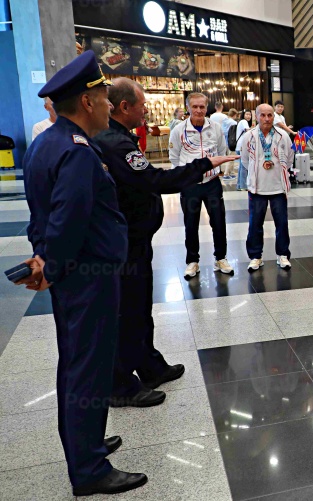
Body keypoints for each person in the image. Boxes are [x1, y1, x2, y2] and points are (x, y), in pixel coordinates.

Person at [18, 51, 147, 496]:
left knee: (76, 365)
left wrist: (44, 260)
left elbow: (41, 218)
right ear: (88, 103)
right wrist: (51, 266)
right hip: (87, 279)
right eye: (103, 97)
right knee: (86, 370)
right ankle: (89, 469)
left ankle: (85, 443)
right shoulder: (76, 154)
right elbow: (67, 220)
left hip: (75, 277)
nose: (111, 106)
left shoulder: (45, 144)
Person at [94, 77, 237, 406]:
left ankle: (149, 365)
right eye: (142, 105)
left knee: (140, 308)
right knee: (128, 310)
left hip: (136, 241)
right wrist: (204, 164)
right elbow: (155, 179)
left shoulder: (122, 138)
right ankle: (120, 384)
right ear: (125, 107)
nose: (146, 110)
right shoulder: (116, 144)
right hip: (124, 244)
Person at [169, 92, 233, 278]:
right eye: (194, 107)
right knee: (191, 224)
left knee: (219, 222)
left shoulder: (216, 128)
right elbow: (174, 158)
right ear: (188, 108)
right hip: (190, 186)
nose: (198, 110)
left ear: (207, 108)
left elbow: (222, 151)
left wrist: (214, 172)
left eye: (202, 107)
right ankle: (192, 261)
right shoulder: (178, 130)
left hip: (212, 183)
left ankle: (220, 258)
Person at [241, 104, 293, 271]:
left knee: (282, 222)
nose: (267, 118)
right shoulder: (249, 136)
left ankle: (283, 254)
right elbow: (244, 160)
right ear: (256, 116)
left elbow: (290, 158)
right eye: (262, 115)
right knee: (255, 223)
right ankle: (256, 256)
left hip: (278, 186)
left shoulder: (283, 135)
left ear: (273, 117)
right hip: (257, 187)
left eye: (269, 115)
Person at [235, 109, 254, 191]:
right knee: (244, 167)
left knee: (241, 166)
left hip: (239, 147)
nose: (248, 116)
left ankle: (240, 185)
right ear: (243, 115)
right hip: (242, 147)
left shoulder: (242, 122)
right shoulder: (243, 121)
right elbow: (248, 131)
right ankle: (243, 185)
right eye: (247, 114)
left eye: (250, 115)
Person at [221, 109, 239, 180]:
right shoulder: (233, 122)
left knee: (230, 157)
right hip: (231, 142)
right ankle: (226, 174)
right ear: (234, 115)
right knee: (231, 158)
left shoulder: (224, 122)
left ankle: (231, 173)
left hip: (225, 141)